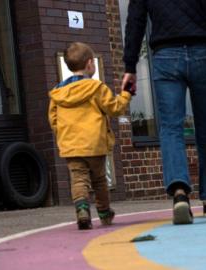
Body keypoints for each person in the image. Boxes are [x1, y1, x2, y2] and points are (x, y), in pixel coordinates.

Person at [122, 0, 206, 224]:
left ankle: (179, 191)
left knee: (171, 128)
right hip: (203, 52)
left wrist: (130, 66)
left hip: (165, 55)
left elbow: (135, 21)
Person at [48, 42, 135, 230]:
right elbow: (115, 108)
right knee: (99, 180)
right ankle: (104, 213)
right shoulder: (97, 88)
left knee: (78, 179)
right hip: (94, 143)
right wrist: (126, 94)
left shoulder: (58, 92)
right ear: (89, 64)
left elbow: (53, 119)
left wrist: (64, 134)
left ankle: (82, 210)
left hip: (71, 146)